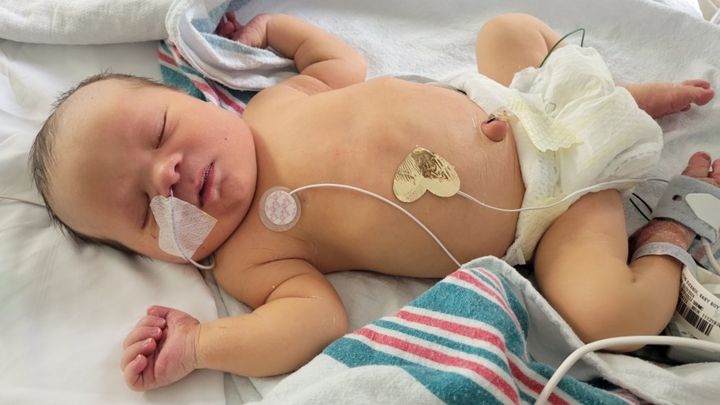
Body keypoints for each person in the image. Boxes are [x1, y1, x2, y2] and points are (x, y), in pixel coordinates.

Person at [29, 12, 718, 391]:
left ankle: (614, 102)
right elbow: (310, 320)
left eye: (159, 132)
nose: (168, 175)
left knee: (505, 31)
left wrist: (277, 33)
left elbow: (339, 66)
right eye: (141, 209)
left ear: (195, 102)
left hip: (520, 100)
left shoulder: (272, 104)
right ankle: (674, 222)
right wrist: (202, 344)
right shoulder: (248, 257)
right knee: (607, 317)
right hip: (551, 205)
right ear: (153, 255)